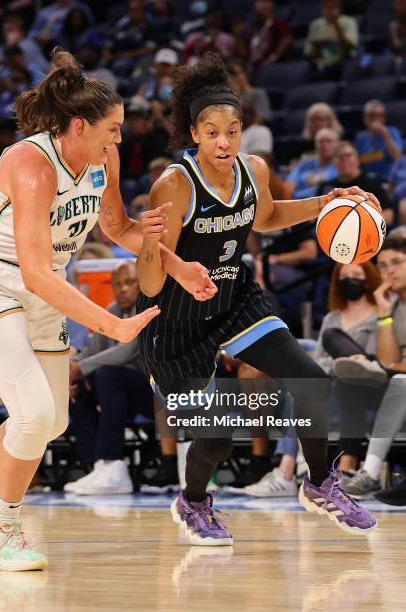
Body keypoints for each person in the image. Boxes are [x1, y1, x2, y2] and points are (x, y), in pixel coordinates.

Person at [0, 49, 216, 572]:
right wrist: (111, 323)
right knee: (33, 413)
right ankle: (3, 530)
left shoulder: (102, 158)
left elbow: (119, 229)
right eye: (112, 130)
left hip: (38, 284)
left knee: (51, 417)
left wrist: (178, 267)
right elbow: (35, 272)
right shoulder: (32, 166)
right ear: (79, 126)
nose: (119, 140)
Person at [135, 52, 379, 546]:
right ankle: (194, 500)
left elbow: (263, 217)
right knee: (218, 435)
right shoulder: (175, 186)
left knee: (311, 377)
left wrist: (327, 202)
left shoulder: (254, 170)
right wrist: (149, 246)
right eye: (212, 132)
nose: (223, 141)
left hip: (232, 296)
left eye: (233, 130)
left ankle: (318, 483)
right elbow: (148, 285)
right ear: (194, 134)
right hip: (175, 320)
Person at [240, 260, 382, 497]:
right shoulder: (333, 318)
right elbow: (320, 359)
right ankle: (287, 468)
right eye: (345, 276)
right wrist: (335, 368)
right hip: (331, 380)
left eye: (356, 274)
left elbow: (375, 360)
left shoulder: (380, 315)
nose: (351, 280)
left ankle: (293, 468)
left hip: (361, 387)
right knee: (302, 386)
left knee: (325, 383)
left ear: (368, 279)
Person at [65, 261, 152, 494]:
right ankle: (97, 466)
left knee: (110, 374)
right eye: (117, 284)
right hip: (119, 395)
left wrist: (81, 367)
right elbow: (92, 350)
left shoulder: (148, 311)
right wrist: (72, 370)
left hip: (154, 394)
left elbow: (126, 352)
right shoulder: (112, 311)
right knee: (78, 390)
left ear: (141, 285)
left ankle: (114, 464)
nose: (123, 289)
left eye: (129, 283)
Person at [333, 236, 406, 501]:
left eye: (397, 262)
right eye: (383, 265)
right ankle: (347, 469)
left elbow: (392, 366)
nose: (389, 271)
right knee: (348, 380)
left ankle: (371, 473)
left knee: (399, 382)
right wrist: (385, 314)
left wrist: (392, 367)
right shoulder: (391, 304)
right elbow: (389, 361)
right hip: (398, 382)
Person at [317, 141, 394, 225]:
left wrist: (365, 223)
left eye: (348, 155)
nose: (344, 160)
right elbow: (316, 216)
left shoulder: (372, 183)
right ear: (333, 162)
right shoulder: (326, 187)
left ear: (357, 160)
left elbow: (389, 214)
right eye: (339, 157)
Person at [304, 0, 359, 79]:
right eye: (327, 7)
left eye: (333, 8)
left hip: (342, 63)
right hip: (320, 65)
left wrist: (336, 25)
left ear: (340, 8)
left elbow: (350, 48)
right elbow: (308, 52)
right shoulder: (315, 24)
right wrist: (320, 47)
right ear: (322, 8)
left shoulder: (349, 22)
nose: (330, 11)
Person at [355, 100, 403, 182]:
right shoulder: (361, 137)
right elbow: (357, 163)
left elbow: (397, 158)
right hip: (367, 180)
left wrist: (385, 134)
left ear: (384, 118)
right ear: (365, 118)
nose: (375, 118)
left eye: (379, 115)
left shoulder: (392, 131)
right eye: (372, 115)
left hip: (387, 180)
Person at [285, 128, 339, 199]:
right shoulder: (305, 164)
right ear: (315, 144)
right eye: (320, 141)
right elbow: (288, 188)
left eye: (329, 141)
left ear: (337, 144)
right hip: (296, 203)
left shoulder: (340, 167)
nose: (324, 145)